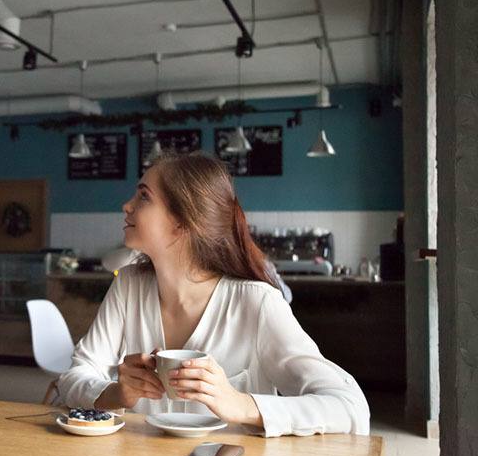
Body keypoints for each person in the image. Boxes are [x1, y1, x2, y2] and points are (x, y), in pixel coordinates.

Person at [57, 152, 369, 437]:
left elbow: (351, 407)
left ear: (183, 221)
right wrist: (118, 392)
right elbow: (73, 376)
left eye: (143, 196)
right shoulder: (128, 286)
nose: (127, 205)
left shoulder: (256, 302)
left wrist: (240, 403)